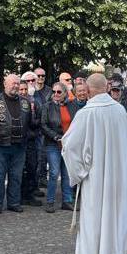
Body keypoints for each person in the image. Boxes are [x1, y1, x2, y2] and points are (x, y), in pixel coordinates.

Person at [62, 74, 127, 254]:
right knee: (114, 212)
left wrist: (79, 171)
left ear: (89, 90)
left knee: (94, 214)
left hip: (95, 175)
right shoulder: (120, 111)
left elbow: (70, 146)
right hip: (117, 175)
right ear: (107, 88)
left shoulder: (86, 113)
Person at [0, 74, 33, 214]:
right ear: (5, 84)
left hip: (19, 146)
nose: (15, 86)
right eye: (12, 83)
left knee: (16, 176)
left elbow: (29, 122)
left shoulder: (25, 102)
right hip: (0, 146)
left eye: (17, 83)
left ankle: (14, 202)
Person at [40, 82, 78, 212]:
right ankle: (50, 201)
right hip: (53, 144)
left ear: (65, 93)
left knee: (67, 173)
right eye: (53, 91)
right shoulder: (47, 106)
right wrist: (56, 136)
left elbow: (76, 123)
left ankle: (67, 201)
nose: (55, 94)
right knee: (54, 173)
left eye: (59, 92)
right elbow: (43, 125)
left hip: (68, 144)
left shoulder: (72, 106)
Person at [19, 74, 43, 207]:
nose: (23, 92)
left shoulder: (34, 102)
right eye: (21, 89)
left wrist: (32, 114)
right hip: (18, 141)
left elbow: (38, 121)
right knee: (20, 170)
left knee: (32, 167)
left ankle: (30, 194)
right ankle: (19, 196)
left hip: (31, 139)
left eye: (25, 89)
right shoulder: (13, 103)